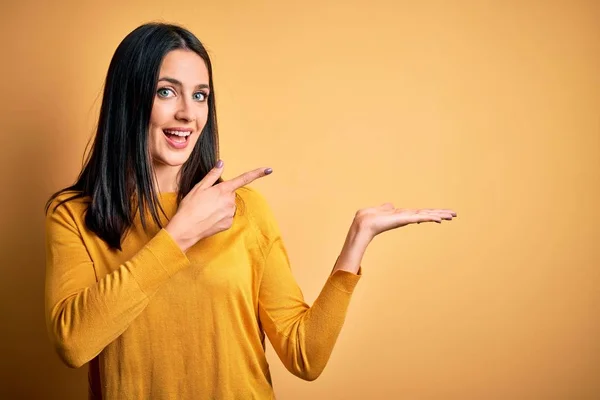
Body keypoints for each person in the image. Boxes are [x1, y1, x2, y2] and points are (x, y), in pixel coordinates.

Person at [44, 22, 456, 400]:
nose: (188, 112)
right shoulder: (75, 214)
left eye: (200, 95)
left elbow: (304, 356)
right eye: (166, 91)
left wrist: (356, 241)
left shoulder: (244, 210)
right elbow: (75, 343)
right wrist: (179, 234)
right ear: (129, 99)